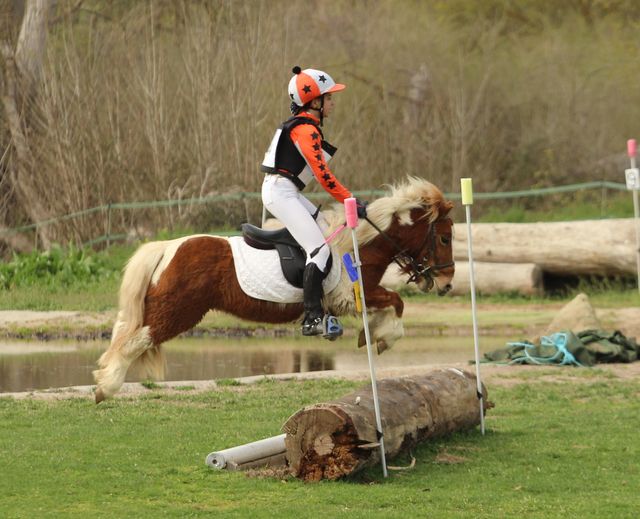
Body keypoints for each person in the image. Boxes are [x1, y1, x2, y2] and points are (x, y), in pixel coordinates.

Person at [261, 66, 367, 339]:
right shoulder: (306, 130)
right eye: (328, 98)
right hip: (281, 193)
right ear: (314, 102)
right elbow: (323, 175)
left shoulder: (305, 126)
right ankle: (311, 318)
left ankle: (325, 303)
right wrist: (350, 200)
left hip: (287, 191)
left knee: (324, 232)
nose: (333, 103)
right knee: (319, 251)